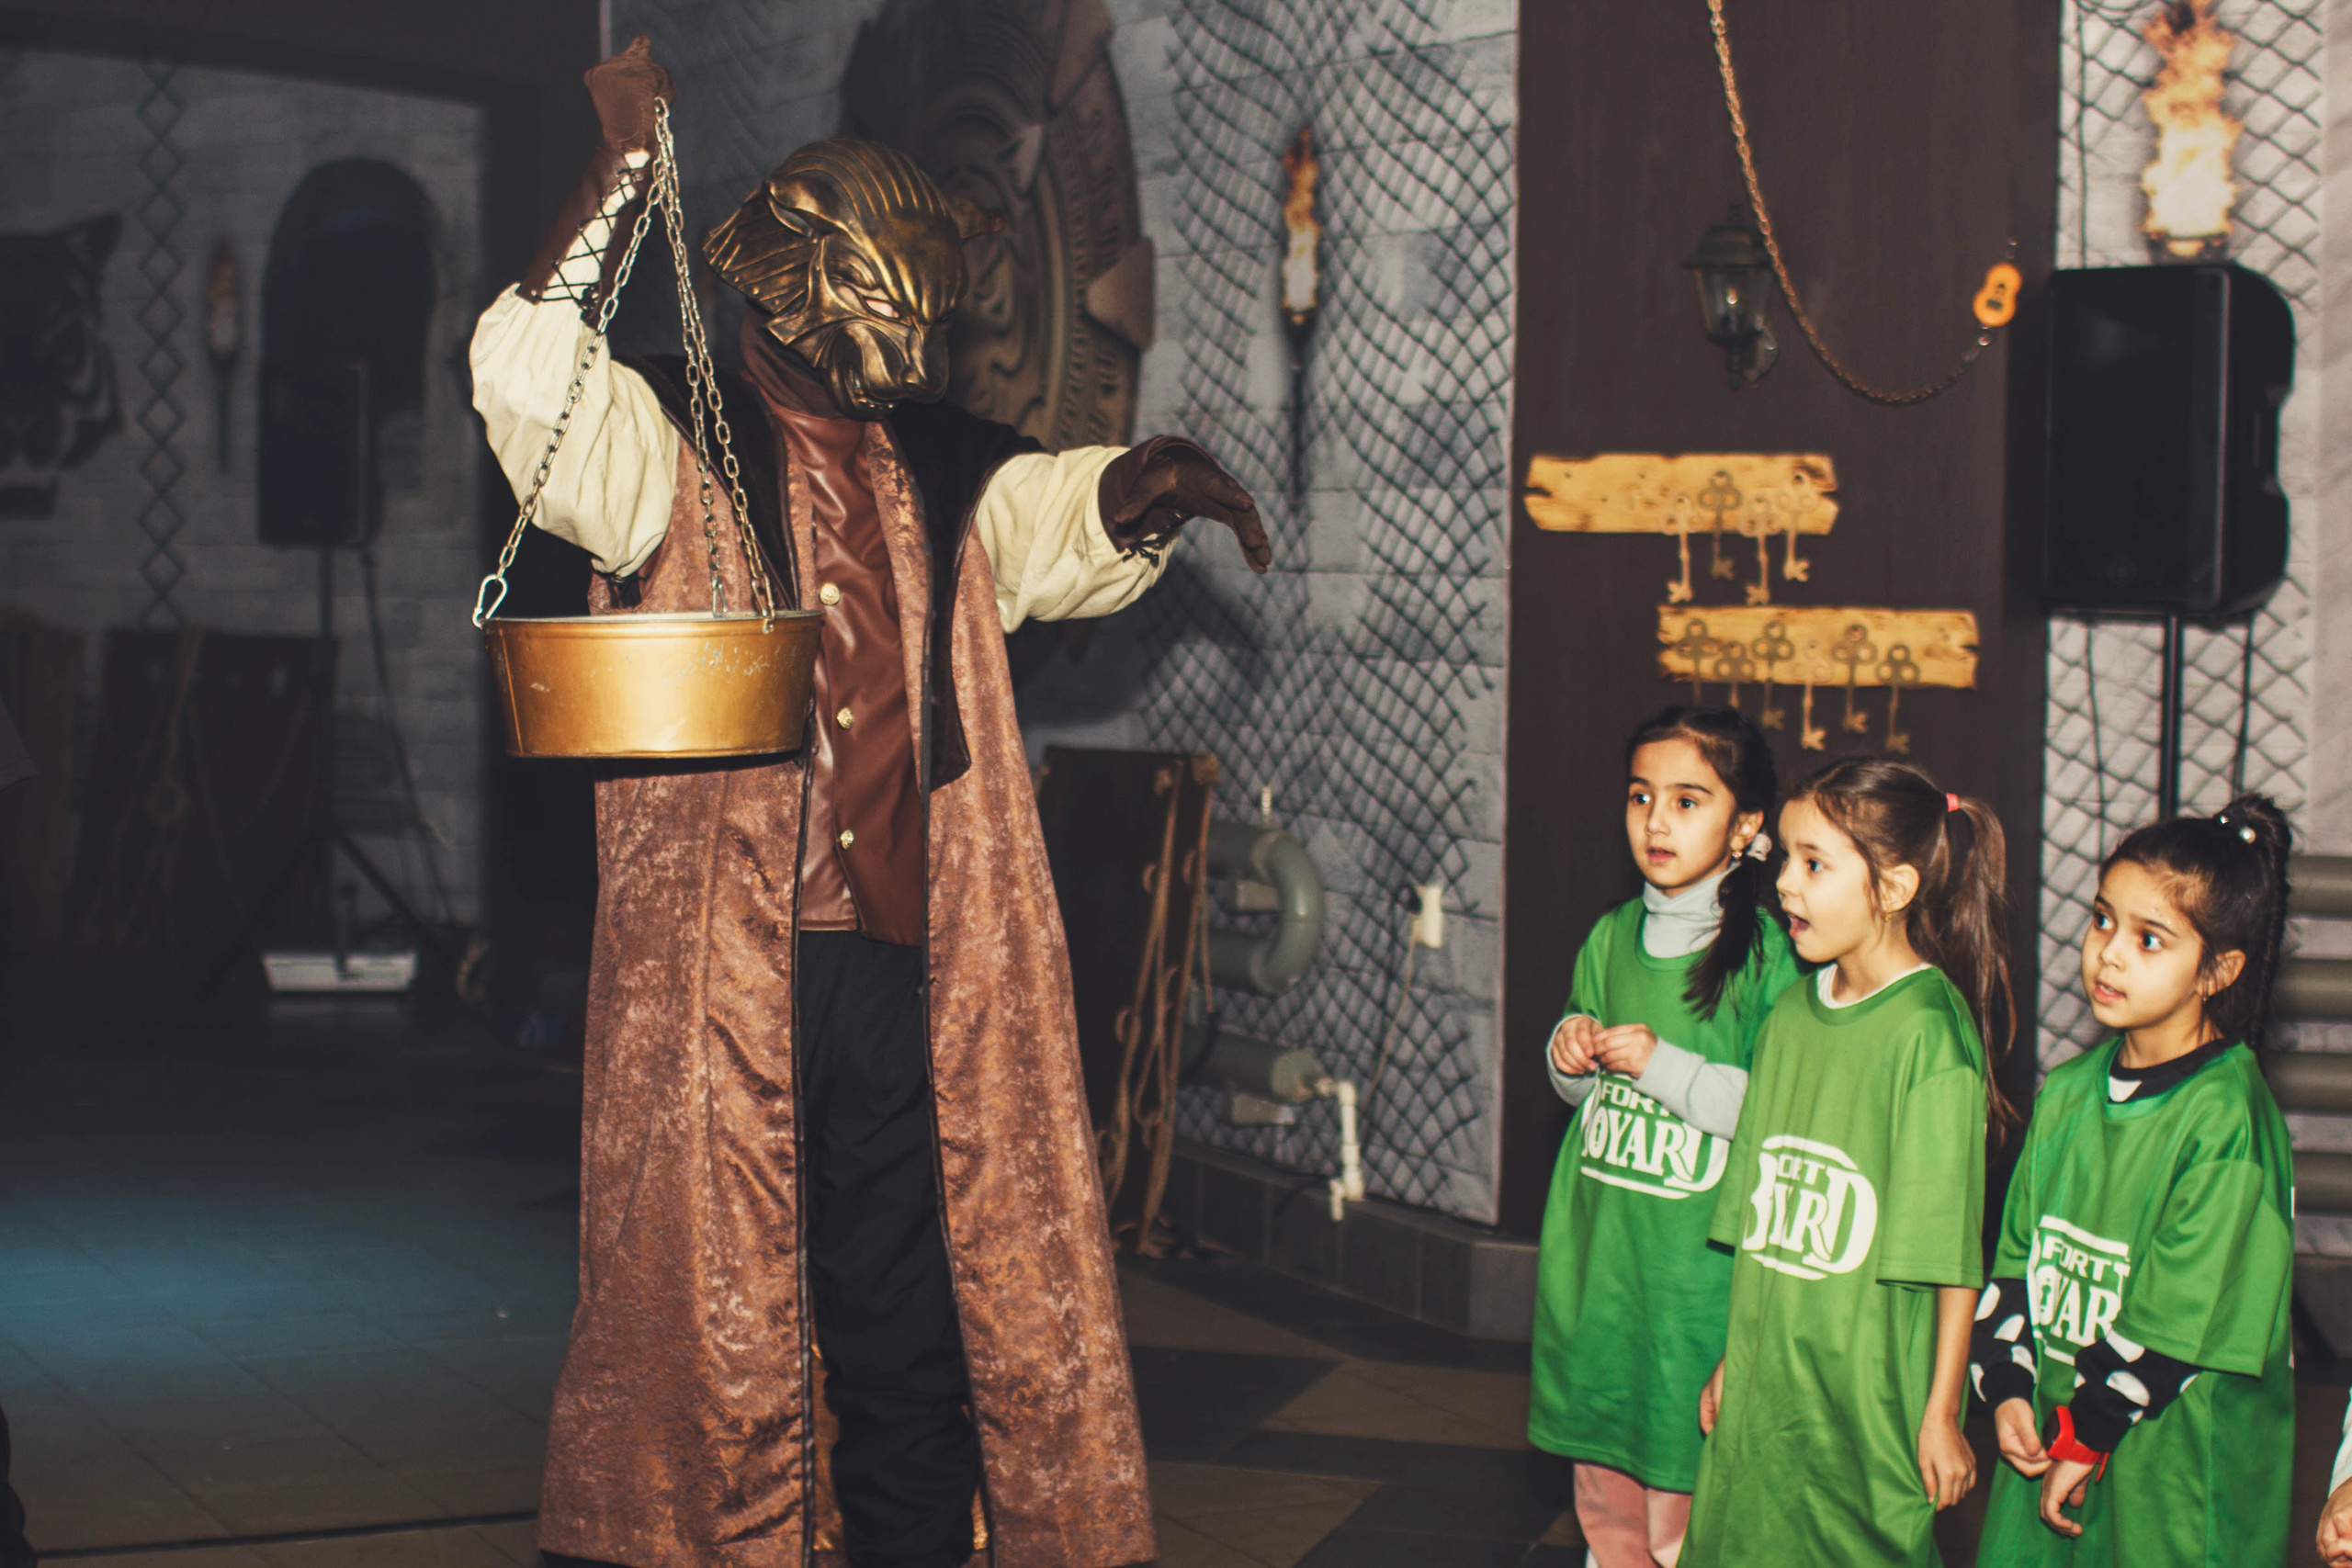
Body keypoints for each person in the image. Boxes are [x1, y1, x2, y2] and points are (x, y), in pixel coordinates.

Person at [470, 39, 1268, 1568]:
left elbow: (1042, 525)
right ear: (791, 286)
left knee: (907, 1317)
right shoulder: (666, 446)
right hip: (734, 981)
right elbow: (526, 377)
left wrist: (1141, 486)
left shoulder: (941, 474)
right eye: (880, 305)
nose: (907, 344)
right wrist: (617, 173)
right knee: (715, 1312)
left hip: (899, 965)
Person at [1681, 758, 2012, 1568]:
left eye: (1815, 863)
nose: (1786, 884)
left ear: (1894, 889)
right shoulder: (1791, 1015)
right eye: (1786, 858)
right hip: (1771, 1382)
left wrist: (1941, 1413)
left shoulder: (1929, 1038)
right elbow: (1766, 1217)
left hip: (1864, 1398)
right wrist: (1738, 1354)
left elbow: (1951, 1259)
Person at [1972, 796, 2295, 1566]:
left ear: (2218, 970)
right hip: (2061, 1436)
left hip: (2167, 1470)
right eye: (2102, 919)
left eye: (2150, 939)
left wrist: (2087, 1430)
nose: (2109, 953)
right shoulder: (2068, 1093)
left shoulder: (2228, 1119)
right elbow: (2015, 1261)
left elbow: (2181, 1317)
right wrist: (2008, 1382)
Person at [1528, 706, 1800, 1567]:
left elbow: (1782, 1115)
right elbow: (1580, 1090)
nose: (1656, 820)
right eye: (1642, 795)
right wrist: (1570, 1054)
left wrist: (1664, 1067)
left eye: (1688, 800)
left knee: (1685, 1507)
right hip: (1605, 1268)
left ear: (1746, 823)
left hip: (1694, 1287)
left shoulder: (1769, 953)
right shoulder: (1611, 935)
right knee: (1605, 1504)